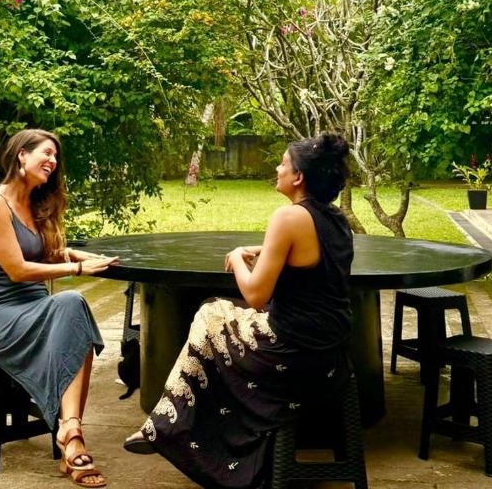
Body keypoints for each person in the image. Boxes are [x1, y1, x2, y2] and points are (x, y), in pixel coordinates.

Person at [123, 134, 355, 489]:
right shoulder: (335, 219)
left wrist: (236, 258)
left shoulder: (288, 216)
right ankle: (166, 422)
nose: (277, 168)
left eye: (283, 163)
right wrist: (265, 249)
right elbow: (307, 252)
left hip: (290, 351)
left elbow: (257, 295)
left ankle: (171, 424)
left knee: (209, 313)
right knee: (216, 324)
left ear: (298, 177)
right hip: (330, 352)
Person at [0, 128, 118, 488]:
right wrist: (77, 269)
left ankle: (71, 433)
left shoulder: (35, 202)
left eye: (55, 157)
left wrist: (73, 254)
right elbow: (18, 269)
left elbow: (39, 254)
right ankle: (71, 437)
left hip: (32, 304)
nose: (52, 162)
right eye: (46, 153)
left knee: (73, 312)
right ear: (22, 154)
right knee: (71, 302)